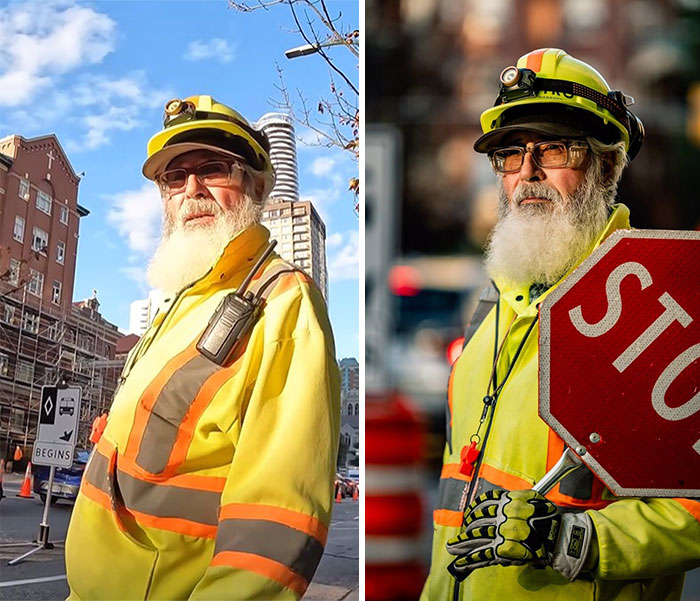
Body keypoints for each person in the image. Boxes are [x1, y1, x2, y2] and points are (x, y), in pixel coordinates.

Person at [420, 49, 700, 601]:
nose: (528, 172)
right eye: (510, 154)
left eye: (554, 148)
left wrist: (581, 541)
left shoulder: (653, 312)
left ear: (607, 166)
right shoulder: (491, 311)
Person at [65, 95, 340, 600]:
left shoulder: (284, 302)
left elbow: (275, 525)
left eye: (212, 169)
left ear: (256, 186)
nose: (191, 189)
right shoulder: (182, 299)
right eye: (174, 177)